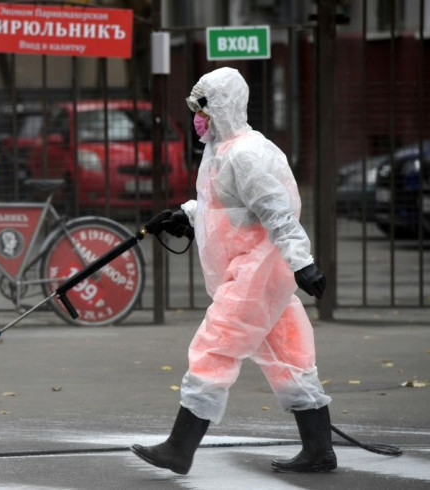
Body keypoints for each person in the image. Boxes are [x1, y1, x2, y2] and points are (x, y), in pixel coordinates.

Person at [133, 67, 333, 475]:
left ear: (223, 107)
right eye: (193, 107)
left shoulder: (246, 155)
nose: (196, 116)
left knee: (214, 346)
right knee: (289, 356)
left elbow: (278, 213)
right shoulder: (218, 150)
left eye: (202, 107)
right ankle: (319, 450)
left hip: (257, 269)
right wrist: (185, 215)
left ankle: (179, 447)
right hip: (251, 269)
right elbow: (225, 206)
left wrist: (302, 262)